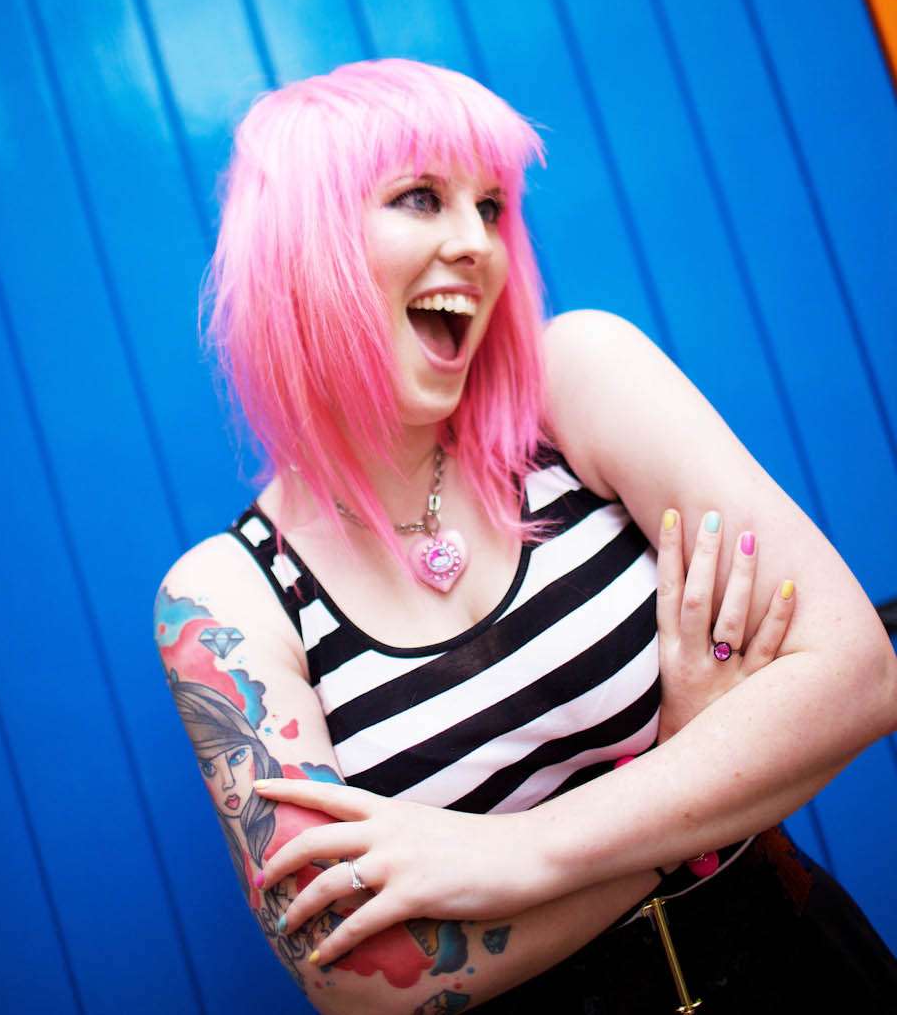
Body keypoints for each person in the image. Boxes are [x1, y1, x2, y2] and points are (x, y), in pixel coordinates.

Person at [156, 58, 897, 1012]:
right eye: (421, 198)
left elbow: (858, 674)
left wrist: (512, 855)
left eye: (492, 206)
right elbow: (362, 977)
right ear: (303, 246)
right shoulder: (227, 598)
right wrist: (690, 776)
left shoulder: (578, 382)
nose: (477, 242)